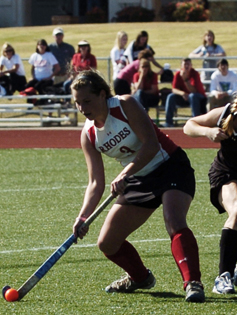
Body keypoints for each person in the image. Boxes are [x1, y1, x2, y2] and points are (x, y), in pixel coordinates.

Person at [70, 69, 205, 303]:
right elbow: (95, 182)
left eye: (87, 101)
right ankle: (140, 278)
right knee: (107, 242)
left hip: (170, 166)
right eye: (77, 103)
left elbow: (151, 144)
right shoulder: (89, 135)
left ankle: (193, 283)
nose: (82, 108)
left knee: (174, 221)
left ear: (102, 95)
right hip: (138, 179)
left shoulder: (125, 105)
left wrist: (124, 173)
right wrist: (83, 217)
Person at [183, 80, 237, 296]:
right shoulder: (225, 113)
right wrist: (207, 132)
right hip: (225, 173)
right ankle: (223, 277)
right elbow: (189, 126)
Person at [164, 58, 207, 127]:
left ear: (191, 65)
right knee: (171, 96)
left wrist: (185, 80)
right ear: (181, 66)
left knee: (192, 96)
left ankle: (195, 121)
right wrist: (183, 93)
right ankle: (168, 122)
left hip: (198, 98)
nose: (186, 66)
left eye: (188, 64)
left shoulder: (195, 74)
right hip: (184, 97)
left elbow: (194, 91)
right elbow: (174, 89)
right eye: (185, 64)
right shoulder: (178, 74)